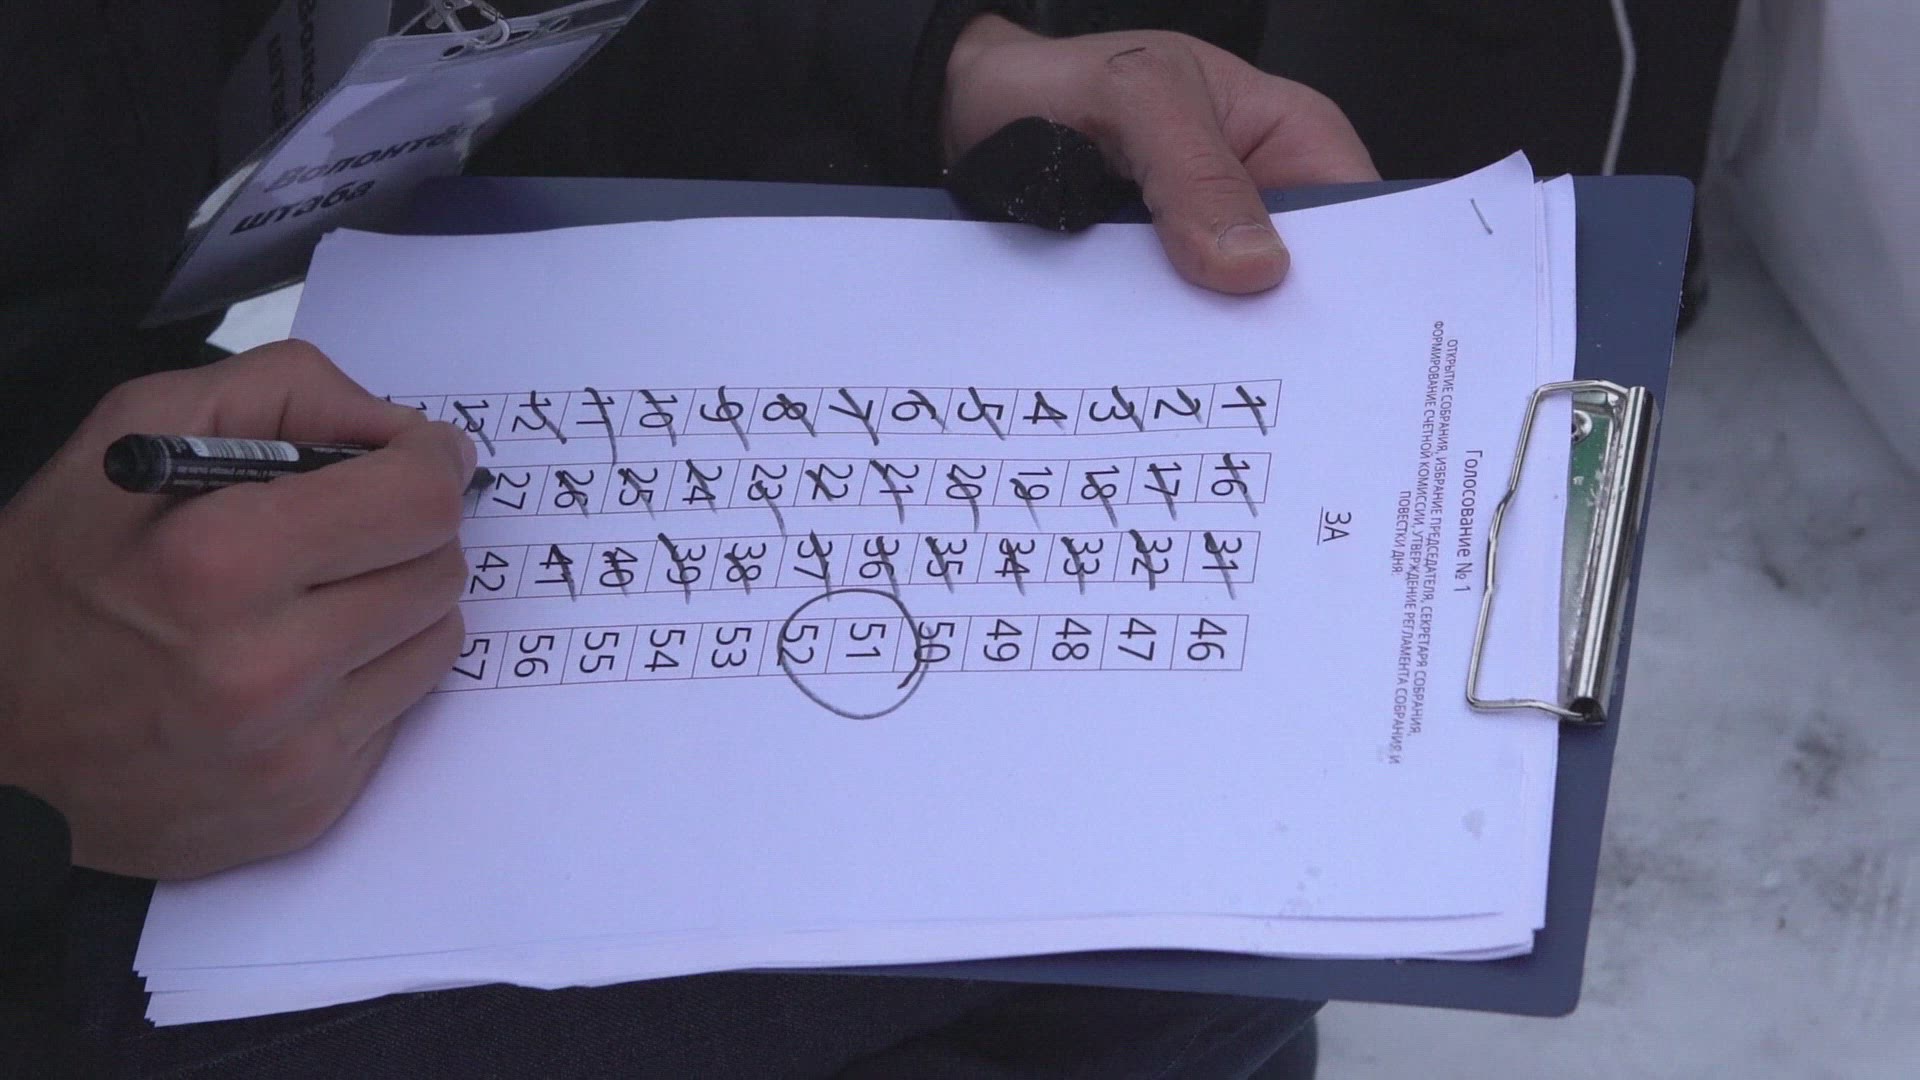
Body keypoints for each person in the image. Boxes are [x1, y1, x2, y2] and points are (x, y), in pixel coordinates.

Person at [0, 2, 1375, 1075]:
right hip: (77, 849)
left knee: (1218, 921)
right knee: (1177, 919)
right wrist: (24, 716)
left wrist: (928, 71)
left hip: (178, 494)